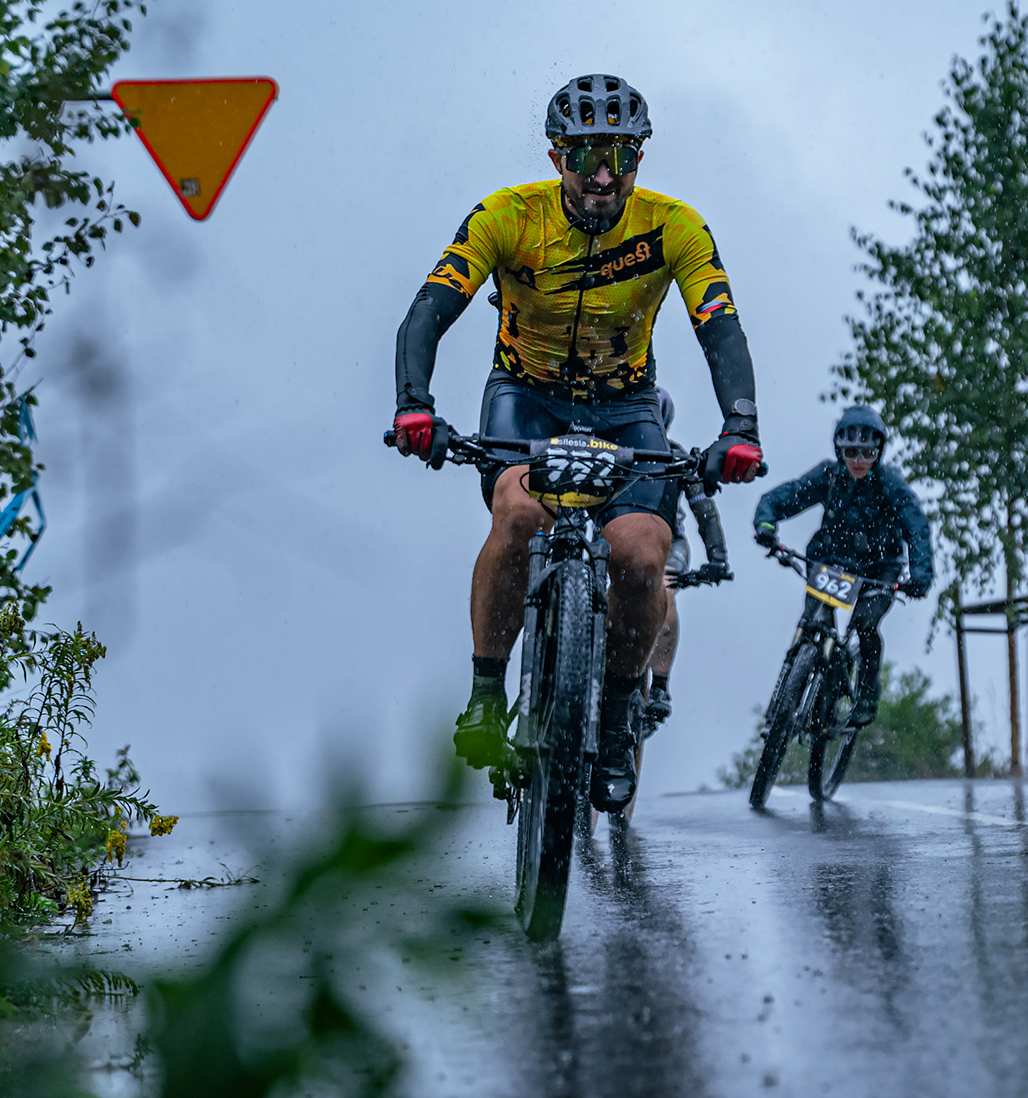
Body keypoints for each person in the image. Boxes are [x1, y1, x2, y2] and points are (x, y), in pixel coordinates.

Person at [389, 74, 763, 812]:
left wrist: (740, 427)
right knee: (519, 514)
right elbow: (429, 308)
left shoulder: (675, 226)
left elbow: (720, 327)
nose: (602, 176)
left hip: (625, 406)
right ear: (557, 155)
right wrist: (414, 405)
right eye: (587, 156)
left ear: (638, 161)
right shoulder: (507, 215)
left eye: (620, 158)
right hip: (525, 397)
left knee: (643, 555)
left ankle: (618, 718)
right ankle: (487, 694)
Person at [753, 405, 932, 727]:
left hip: (879, 571)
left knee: (865, 624)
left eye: (867, 453)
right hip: (832, 562)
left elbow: (916, 526)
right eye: (851, 452)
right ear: (840, 451)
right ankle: (792, 687)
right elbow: (782, 498)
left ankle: (867, 692)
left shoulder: (890, 484)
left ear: (879, 452)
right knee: (813, 619)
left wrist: (920, 574)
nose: (859, 461)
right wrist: (766, 526)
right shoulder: (829, 476)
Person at [644, 387, 732, 729]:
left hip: (670, 543)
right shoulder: (609, 447)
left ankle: (660, 686)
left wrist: (717, 557)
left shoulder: (677, 457)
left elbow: (704, 510)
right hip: (610, 541)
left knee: (663, 592)